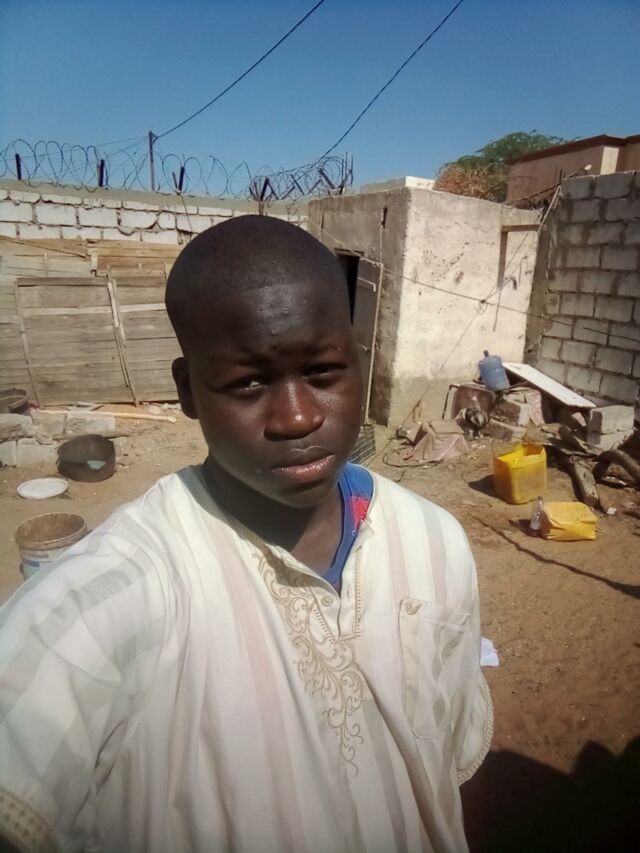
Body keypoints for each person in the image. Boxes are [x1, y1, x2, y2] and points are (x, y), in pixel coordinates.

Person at [0, 215, 492, 853]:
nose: (297, 417)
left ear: (359, 361)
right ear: (188, 391)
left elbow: (452, 758)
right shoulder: (100, 604)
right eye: (248, 383)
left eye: (323, 371)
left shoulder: (435, 542)